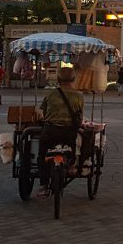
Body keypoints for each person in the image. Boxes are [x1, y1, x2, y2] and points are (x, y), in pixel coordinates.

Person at [35, 66, 85, 198]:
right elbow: (79, 117)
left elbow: (43, 112)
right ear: (74, 79)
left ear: (57, 79)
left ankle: (43, 185)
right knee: (73, 145)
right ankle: (71, 165)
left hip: (50, 131)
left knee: (42, 155)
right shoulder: (79, 96)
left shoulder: (50, 94)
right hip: (68, 133)